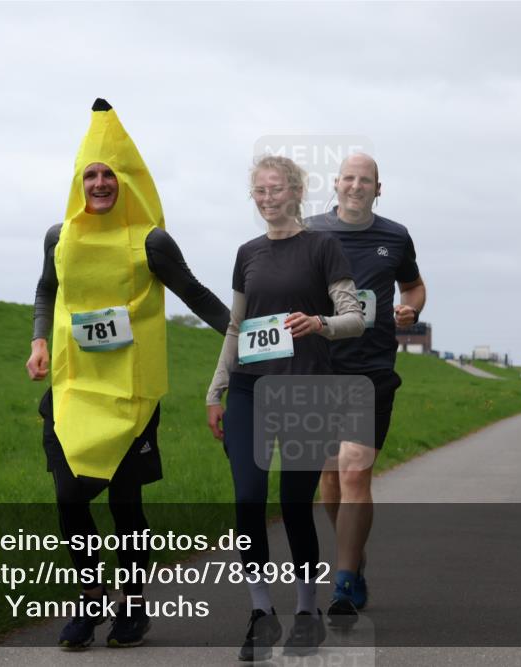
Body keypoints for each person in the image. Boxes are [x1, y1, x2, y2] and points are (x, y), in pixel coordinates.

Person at [27, 99, 229, 651]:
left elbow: (198, 295)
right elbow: (48, 289)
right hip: (72, 390)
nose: (98, 183)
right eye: (89, 174)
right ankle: (89, 605)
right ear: (78, 181)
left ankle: (133, 609)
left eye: (108, 175)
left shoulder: (151, 242)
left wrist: (250, 344)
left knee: (125, 506)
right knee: (70, 501)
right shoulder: (59, 237)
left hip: (131, 397)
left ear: (127, 183)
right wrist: (39, 339)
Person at [206, 154, 364, 660]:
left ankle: (305, 610)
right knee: (248, 499)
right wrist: (217, 390)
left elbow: (354, 316)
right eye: (260, 190)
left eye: (277, 188)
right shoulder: (246, 252)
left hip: (305, 388)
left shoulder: (323, 246)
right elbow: (235, 326)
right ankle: (259, 611)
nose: (268, 197)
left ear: (296, 191)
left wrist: (318, 323)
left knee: (295, 505)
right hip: (251, 388)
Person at [305, 153, 424, 627]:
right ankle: (354, 554)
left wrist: (410, 310)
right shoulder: (310, 231)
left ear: (379, 188)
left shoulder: (395, 236)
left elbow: (413, 287)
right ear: (336, 185)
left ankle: (345, 577)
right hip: (317, 369)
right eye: (349, 178)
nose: (356, 186)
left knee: (355, 473)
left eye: (366, 180)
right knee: (329, 481)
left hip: (371, 370)